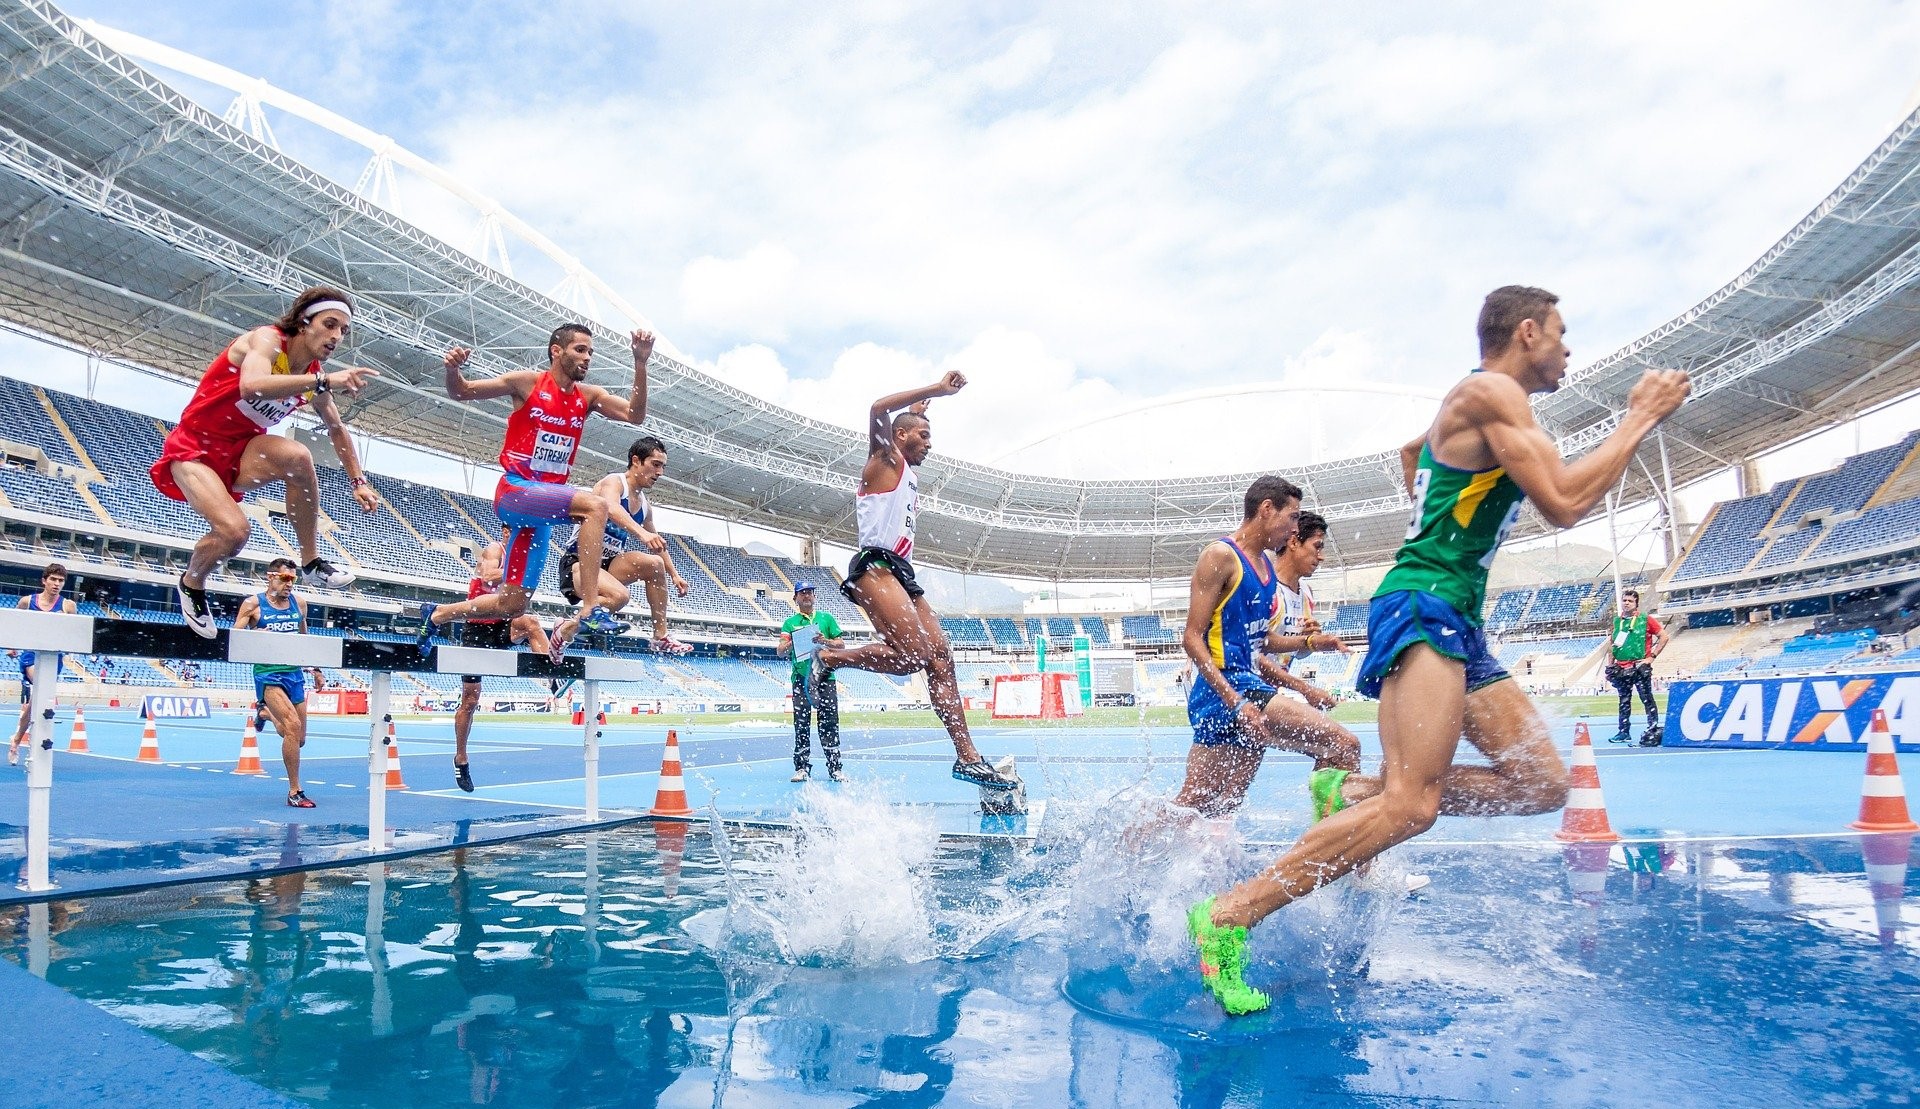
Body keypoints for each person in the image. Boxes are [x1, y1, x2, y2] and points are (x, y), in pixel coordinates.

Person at [1187, 285, 1691, 1016]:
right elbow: (1564, 500)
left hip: (1454, 613)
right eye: (1560, 333)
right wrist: (1640, 415)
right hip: (1425, 606)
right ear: (1526, 332)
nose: (1568, 349)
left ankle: (1352, 791)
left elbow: (1413, 452)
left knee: (1540, 782)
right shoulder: (1491, 390)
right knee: (1413, 806)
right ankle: (1229, 915)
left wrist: (1445, 516)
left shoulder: (1481, 407)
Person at [812, 373, 1016, 791]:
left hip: (903, 572)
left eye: (929, 436)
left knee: (942, 658)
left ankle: (967, 758)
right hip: (876, 567)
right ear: (899, 436)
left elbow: (905, 420)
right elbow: (877, 409)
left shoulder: (904, 465)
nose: (929, 442)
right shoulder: (884, 460)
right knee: (911, 658)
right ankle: (830, 659)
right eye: (921, 435)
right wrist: (935, 391)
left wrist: (922, 412)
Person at [152, 286, 380, 637]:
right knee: (234, 533)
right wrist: (322, 380)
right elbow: (252, 386)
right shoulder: (268, 340)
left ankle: (310, 561)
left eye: (343, 331)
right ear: (304, 323)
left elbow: (337, 428)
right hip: (195, 448)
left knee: (299, 457)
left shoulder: (313, 375)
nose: (337, 336)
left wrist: (359, 481)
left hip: (241, 451)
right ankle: (192, 583)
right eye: (330, 324)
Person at [419, 326, 655, 660]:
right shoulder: (525, 383)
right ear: (556, 351)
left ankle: (437, 614)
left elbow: (635, 415)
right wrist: (452, 370)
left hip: (543, 509)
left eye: (590, 352)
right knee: (596, 506)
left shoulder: (588, 397)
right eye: (580, 350)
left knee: (512, 602)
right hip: (517, 491)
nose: (587, 358)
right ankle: (590, 609)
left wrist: (640, 362)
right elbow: (462, 392)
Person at [1170, 491, 1361, 823]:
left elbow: (1261, 640)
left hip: (1241, 690)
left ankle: (1123, 845)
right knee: (1344, 746)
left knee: (1205, 807)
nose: (1292, 529)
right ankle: (1340, 856)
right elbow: (1191, 637)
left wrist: (1314, 642)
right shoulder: (1220, 555)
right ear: (1267, 509)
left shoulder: (1265, 570)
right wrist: (1237, 702)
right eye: (1291, 518)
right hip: (1229, 686)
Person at [557, 436, 693, 654]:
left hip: (609, 565)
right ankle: (565, 631)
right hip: (578, 563)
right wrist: (640, 532)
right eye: (655, 465)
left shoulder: (645, 507)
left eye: (663, 467)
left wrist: (674, 575)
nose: (660, 473)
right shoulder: (614, 482)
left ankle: (660, 636)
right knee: (619, 597)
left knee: (655, 563)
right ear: (636, 461)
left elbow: (657, 542)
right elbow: (610, 507)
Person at [452, 534, 554, 793]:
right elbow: (488, 576)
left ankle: (552, 676)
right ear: (507, 532)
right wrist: (521, 573)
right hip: (476, 631)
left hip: (501, 626)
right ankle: (461, 757)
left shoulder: (522, 556)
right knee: (470, 701)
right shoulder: (493, 550)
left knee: (531, 623)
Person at [233, 558, 319, 808]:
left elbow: (305, 638)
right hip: (268, 674)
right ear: (271, 577)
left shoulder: (299, 604)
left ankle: (265, 714)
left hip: (294, 673)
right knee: (291, 726)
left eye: (293, 579)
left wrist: (316, 669)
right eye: (285, 578)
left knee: (298, 738)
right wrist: (252, 634)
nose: (290, 584)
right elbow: (235, 639)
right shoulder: (253, 604)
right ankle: (295, 791)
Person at [8, 563, 76, 767]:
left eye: (61, 580)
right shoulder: (27, 601)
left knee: (37, 701)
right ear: (44, 581)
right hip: (31, 655)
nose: (57, 584)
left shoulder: (68, 606)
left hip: (53, 659)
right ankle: (26, 743)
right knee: (41, 691)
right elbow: (13, 623)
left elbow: (74, 633)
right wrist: (12, 646)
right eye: (53, 579)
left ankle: (17, 739)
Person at [780, 582, 845, 782]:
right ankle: (801, 768)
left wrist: (824, 640)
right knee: (801, 723)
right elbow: (780, 650)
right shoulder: (789, 623)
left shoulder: (826, 618)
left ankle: (835, 768)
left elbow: (841, 645)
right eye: (802, 593)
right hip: (801, 678)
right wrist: (793, 642)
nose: (807, 596)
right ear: (796, 598)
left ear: (814, 597)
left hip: (826, 677)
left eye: (810, 593)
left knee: (830, 722)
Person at [1604, 588, 1667, 746]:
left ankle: (1652, 729)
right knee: (1624, 700)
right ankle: (1624, 731)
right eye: (1624, 600)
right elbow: (1613, 645)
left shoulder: (1646, 619)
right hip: (1621, 668)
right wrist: (1610, 666)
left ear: (1636, 603)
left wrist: (1651, 658)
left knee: (1647, 698)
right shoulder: (1617, 621)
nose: (1626, 603)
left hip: (1639, 666)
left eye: (1630, 601)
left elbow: (1664, 637)